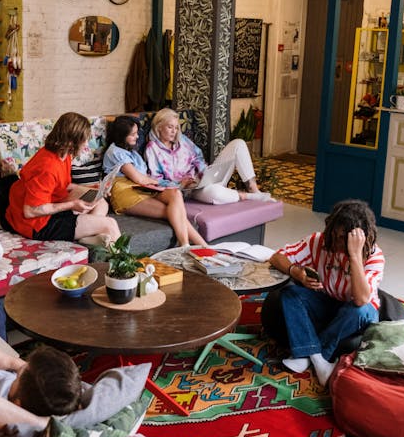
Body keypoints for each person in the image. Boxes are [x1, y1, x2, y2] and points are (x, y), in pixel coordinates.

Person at [267, 199, 384, 387]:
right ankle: (319, 361)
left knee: (358, 310)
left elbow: (362, 299)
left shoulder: (373, 256)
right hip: (328, 301)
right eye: (334, 234)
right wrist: (296, 272)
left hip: (357, 312)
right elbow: (276, 257)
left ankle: (310, 353)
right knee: (290, 293)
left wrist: (354, 256)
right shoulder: (319, 242)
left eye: (342, 238)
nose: (336, 242)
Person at [6, 112, 120, 243]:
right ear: (72, 141)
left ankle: (85, 238)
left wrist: (93, 188)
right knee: (110, 224)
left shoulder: (62, 154)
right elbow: (30, 211)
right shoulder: (47, 167)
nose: (86, 144)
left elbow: (63, 186)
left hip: (52, 205)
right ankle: (126, 261)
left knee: (100, 203)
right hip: (36, 224)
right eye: (84, 139)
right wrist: (72, 205)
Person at [102, 115, 206, 248]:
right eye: (133, 134)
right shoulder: (114, 152)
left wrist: (167, 184)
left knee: (175, 194)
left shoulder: (131, 152)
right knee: (174, 212)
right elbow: (138, 178)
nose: (137, 137)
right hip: (126, 193)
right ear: (122, 135)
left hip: (143, 188)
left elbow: (144, 178)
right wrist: (158, 183)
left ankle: (196, 246)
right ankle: (195, 246)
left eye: (136, 133)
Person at [144, 107, 272, 205]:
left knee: (238, 143)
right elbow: (155, 179)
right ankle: (245, 196)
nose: (174, 131)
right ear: (159, 127)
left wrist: (204, 173)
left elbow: (197, 157)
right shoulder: (152, 149)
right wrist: (180, 184)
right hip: (189, 191)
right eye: (170, 127)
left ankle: (254, 189)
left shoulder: (181, 140)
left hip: (202, 179)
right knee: (214, 192)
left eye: (177, 128)